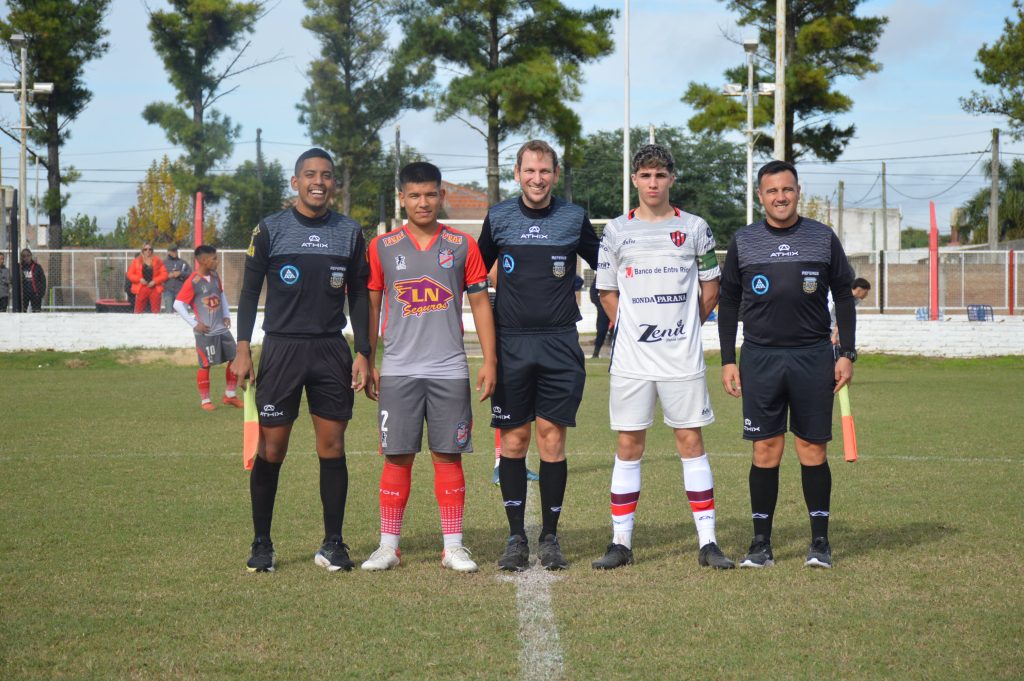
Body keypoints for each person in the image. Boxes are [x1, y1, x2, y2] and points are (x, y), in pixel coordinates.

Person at [590, 144, 734, 570]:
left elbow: (711, 289)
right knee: (628, 443)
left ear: (672, 178)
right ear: (635, 179)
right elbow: (606, 291)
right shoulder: (616, 231)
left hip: (681, 359)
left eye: (660, 175)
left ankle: (708, 542)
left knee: (691, 442)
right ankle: (620, 543)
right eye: (645, 175)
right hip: (632, 361)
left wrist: (685, 327)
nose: (653, 182)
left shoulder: (695, 228)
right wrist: (631, 329)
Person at [230, 148, 371, 574]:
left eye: (326, 175)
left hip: (330, 350)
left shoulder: (349, 232)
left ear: (334, 184)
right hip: (282, 349)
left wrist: (364, 352)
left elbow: (359, 294)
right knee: (272, 449)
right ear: (295, 182)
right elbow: (249, 292)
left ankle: (333, 544)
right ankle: (262, 543)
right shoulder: (270, 229)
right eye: (310, 175)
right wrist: (242, 348)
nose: (318, 182)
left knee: (333, 446)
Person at [718, 160, 857, 570]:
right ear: (760, 196)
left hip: (813, 356)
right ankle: (761, 544)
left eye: (787, 189)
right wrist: (728, 359)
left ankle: (820, 542)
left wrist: (846, 353)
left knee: (812, 448)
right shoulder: (744, 241)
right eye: (772, 191)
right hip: (760, 357)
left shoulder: (822, 237)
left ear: (798, 192)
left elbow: (844, 295)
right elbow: (728, 301)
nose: (780, 197)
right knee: (765, 449)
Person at [360, 162, 497, 573]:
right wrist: (367, 357)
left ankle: (453, 547)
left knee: (448, 455)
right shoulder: (381, 246)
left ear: (441, 196)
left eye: (430, 194)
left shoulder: (462, 244)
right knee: (397, 457)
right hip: (398, 369)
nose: (423, 202)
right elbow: (371, 305)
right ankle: (388, 546)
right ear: (401, 198)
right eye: (415, 195)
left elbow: (480, 304)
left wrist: (490, 360)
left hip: (449, 369)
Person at [478, 139, 600, 571]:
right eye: (529, 170)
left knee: (551, 438)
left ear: (555, 174)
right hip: (511, 343)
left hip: (559, 342)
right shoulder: (498, 217)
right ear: (517, 173)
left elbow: (608, 265)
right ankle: (516, 537)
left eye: (544, 171)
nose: (537, 178)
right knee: (514, 440)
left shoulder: (573, 218)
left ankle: (549, 537)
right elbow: (473, 276)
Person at [173, 245, 243, 411]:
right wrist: (194, 323)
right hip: (206, 332)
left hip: (222, 329)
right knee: (205, 364)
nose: (217, 261)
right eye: (214, 258)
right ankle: (205, 401)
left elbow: (221, 295)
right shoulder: (193, 281)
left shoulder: (215, 276)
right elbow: (178, 304)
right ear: (204, 260)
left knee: (235, 358)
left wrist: (226, 314)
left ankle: (230, 395)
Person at [126, 243, 168, 314]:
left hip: (155, 288)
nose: (148, 251)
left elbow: (165, 274)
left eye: (150, 249)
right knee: (138, 311)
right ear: (142, 251)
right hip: (141, 288)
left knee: (156, 312)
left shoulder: (158, 261)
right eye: (145, 249)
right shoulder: (136, 261)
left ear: (152, 250)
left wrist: (155, 281)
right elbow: (130, 274)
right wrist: (139, 279)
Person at [829, 277, 870, 345]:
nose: (866, 295)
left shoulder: (855, 300)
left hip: (834, 322)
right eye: (866, 292)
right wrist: (834, 336)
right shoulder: (842, 295)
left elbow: (843, 317)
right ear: (859, 289)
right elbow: (841, 316)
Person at [163, 245, 192, 313]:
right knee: (169, 312)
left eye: (175, 251)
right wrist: (168, 276)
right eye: (172, 251)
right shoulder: (164, 263)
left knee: (180, 312)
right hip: (168, 290)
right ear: (168, 252)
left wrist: (180, 273)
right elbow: (158, 275)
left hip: (180, 290)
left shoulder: (183, 262)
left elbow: (190, 274)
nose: (174, 253)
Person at [16, 248, 46, 312]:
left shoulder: (37, 267)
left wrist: (41, 293)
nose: (26, 258)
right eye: (24, 256)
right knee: (21, 311)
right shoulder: (19, 267)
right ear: (21, 257)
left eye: (28, 255)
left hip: (35, 293)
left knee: (36, 311)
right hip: (23, 293)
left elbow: (43, 280)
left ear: (31, 256)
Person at [588, 277, 611, 359]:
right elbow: (593, 291)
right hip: (603, 307)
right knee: (601, 330)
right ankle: (596, 353)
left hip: (618, 306)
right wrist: (599, 304)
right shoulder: (600, 275)